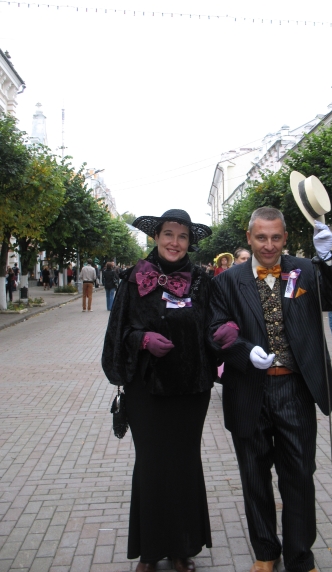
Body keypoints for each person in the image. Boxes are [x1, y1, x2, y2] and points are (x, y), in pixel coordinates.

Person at [207, 207, 332, 572]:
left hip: (295, 389)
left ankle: (300, 556)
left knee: (299, 476)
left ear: (285, 237)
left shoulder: (305, 270)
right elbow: (216, 330)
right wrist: (243, 351)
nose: (268, 245)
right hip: (248, 390)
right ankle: (266, 552)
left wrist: (326, 259)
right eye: (261, 238)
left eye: (275, 237)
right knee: (254, 477)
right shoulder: (227, 281)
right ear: (249, 238)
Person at [101, 209, 216, 572]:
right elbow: (117, 332)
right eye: (168, 234)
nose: (174, 242)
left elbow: (213, 324)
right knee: (151, 466)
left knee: (183, 464)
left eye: (182, 236)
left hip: (190, 390)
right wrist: (141, 339)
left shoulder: (201, 280)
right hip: (146, 390)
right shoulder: (134, 278)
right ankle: (149, 552)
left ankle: (182, 548)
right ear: (156, 237)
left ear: (189, 242)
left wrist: (223, 334)